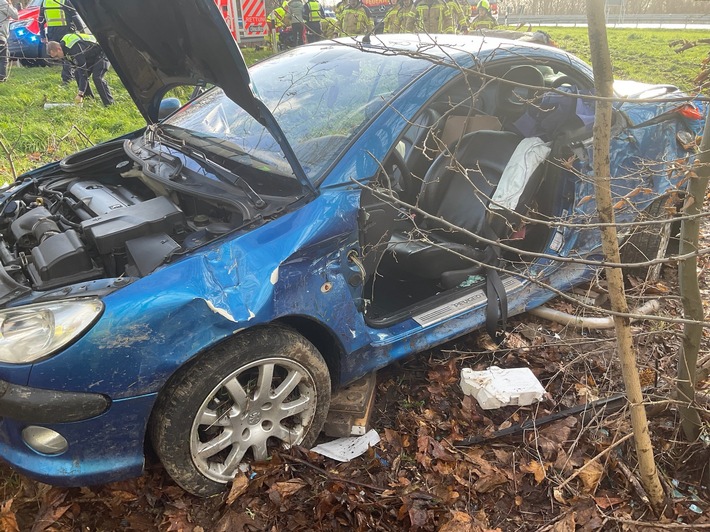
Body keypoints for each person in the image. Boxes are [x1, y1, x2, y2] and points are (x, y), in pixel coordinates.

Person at [46, 33, 114, 106]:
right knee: (77, 74)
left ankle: (109, 104)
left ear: (59, 49)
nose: (57, 59)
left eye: (56, 56)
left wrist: (80, 94)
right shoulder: (65, 50)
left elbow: (83, 72)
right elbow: (79, 69)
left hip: (102, 50)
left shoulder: (73, 49)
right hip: (91, 55)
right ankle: (89, 99)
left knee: (97, 77)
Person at [38, 0, 84, 84]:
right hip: (66, 32)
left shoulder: (45, 2)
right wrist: (82, 31)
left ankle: (68, 77)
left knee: (61, 56)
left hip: (52, 32)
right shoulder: (64, 1)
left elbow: (40, 20)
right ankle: (68, 78)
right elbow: (75, 16)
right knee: (67, 54)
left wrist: (42, 35)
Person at [0, 0, 18, 82]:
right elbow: (15, 15)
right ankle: (2, 79)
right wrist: (11, 6)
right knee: (3, 58)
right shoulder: (2, 2)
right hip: (1, 36)